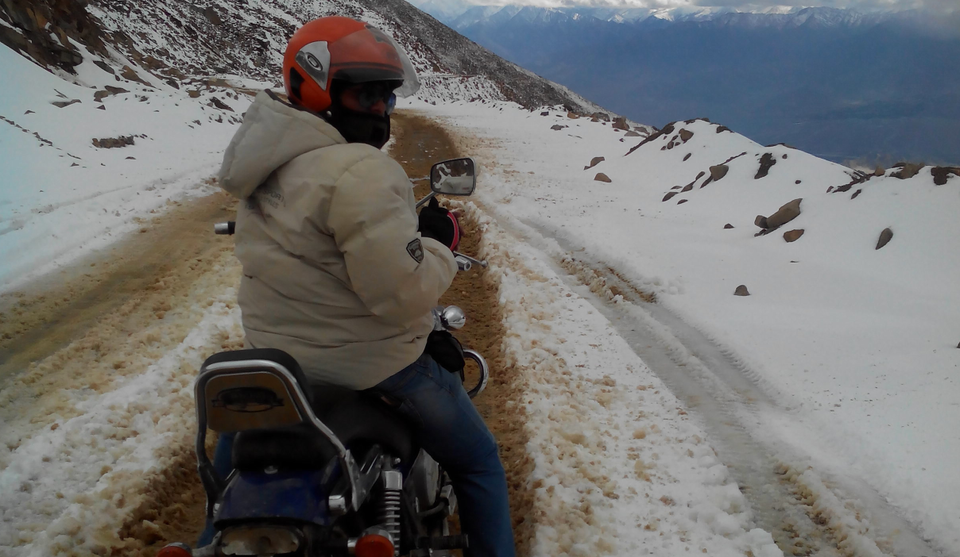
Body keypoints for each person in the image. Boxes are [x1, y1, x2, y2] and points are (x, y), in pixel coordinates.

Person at [214, 16, 515, 557]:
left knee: (225, 479)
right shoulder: (362, 171)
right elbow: (402, 295)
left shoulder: (264, 164)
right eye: (363, 95)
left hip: (279, 364)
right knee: (479, 462)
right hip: (377, 366)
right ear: (317, 88)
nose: (379, 110)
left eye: (385, 96)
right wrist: (439, 244)